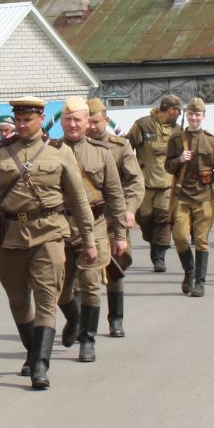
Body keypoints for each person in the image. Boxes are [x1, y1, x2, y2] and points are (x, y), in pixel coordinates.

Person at [0, 96, 98, 390]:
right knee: (19, 301)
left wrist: (89, 240)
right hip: (10, 236)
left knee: (46, 299)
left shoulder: (60, 154)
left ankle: (40, 366)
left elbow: (78, 201)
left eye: (28, 120)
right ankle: (32, 350)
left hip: (50, 232)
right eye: (19, 120)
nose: (22, 125)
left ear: (41, 119)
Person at [52, 97, 129, 363]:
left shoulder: (101, 152)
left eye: (78, 120)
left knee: (90, 284)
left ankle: (88, 339)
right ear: (61, 121)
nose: (72, 124)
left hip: (95, 227)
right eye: (68, 119)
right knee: (59, 288)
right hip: (60, 227)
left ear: (87, 122)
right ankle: (74, 320)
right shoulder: (51, 150)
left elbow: (115, 196)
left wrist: (119, 234)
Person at [86, 98, 142, 336]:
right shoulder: (71, 147)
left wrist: (129, 209)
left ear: (106, 120)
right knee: (83, 273)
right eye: (87, 121)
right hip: (85, 220)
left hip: (113, 217)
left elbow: (135, 181)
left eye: (95, 121)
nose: (90, 126)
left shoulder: (120, 147)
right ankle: (82, 324)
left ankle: (116, 319)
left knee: (116, 267)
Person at [166, 97, 214, 296]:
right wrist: (179, 159)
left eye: (197, 115)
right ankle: (189, 271)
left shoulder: (211, 141)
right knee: (181, 237)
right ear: (187, 115)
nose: (194, 118)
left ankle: (200, 282)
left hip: (204, 196)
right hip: (182, 196)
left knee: (201, 240)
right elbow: (168, 166)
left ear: (203, 116)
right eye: (191, 114)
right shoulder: (176, 140)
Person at [127, 94, 183, 271]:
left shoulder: (178, 131)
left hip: (167, 184)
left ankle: (160, 257)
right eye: (178, 111)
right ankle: (153, 242)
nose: (180, 115)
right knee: (145, 220)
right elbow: (127, 148)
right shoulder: (143, 125)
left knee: (163, 219)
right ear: (171, 110)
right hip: (145, 184)